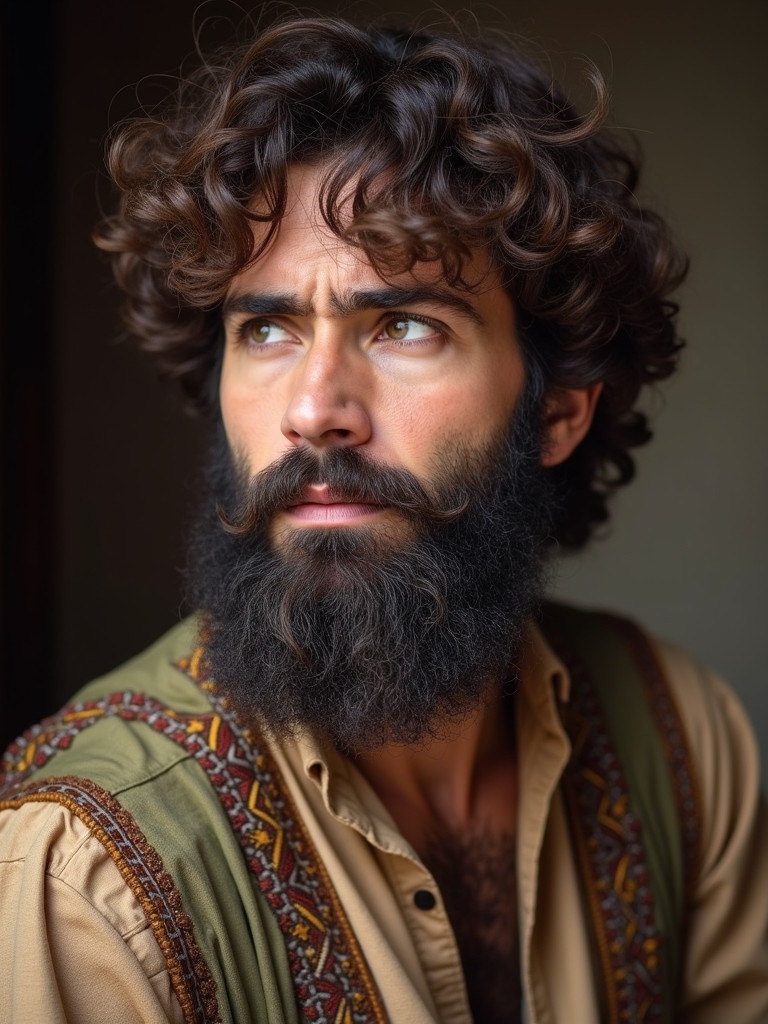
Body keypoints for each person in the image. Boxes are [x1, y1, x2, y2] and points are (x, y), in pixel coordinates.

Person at [1, 15, 766, 1024]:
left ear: (561, 408)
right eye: (267, 327)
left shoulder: (686, 741)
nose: (315, 407)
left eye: (403, 324)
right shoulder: (82, 875)